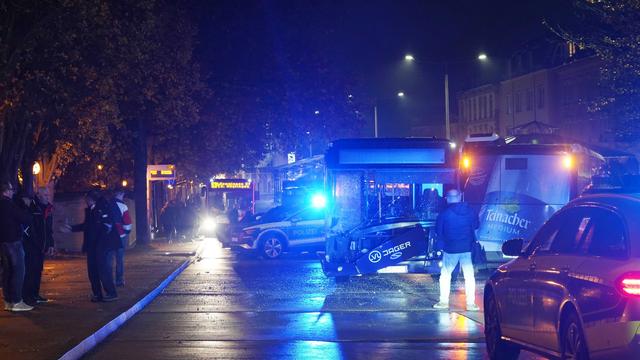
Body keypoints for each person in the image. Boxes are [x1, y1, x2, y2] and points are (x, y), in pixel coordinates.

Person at [64, 190, 119, 302]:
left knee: (103, 269)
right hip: (93, 245)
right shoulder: (91, 210)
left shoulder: (102, 207)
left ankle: (111, 292)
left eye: (87, 198)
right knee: (92, 270)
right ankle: (97, 293)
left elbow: (105, 225)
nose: (85, 201)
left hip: (101, 245)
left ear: (91, 199)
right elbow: (88, 226)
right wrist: (72, 228)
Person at [433, 189, 480, 311]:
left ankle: (443, 302)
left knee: (445, 275)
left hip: (450, 249)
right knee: (469, 277)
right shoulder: (471, 212)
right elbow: (476, 227)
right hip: (467, 249)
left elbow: (439, 232)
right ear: (459, 197)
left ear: (448, 198)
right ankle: (471, 304)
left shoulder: (444, 214)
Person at [0, 181, 33, 311]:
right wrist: (26, 207)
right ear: (6, 191)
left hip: (3, 242)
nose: (13, 191)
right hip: (13, 241)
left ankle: (8, 301)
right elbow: (26, 218)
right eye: (11, 189)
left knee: (7, 272)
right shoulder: (9, 204)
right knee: (18, 271)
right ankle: (17, 301)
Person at [21, 188, 55, 305]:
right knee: (30, 271)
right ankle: (27, 296)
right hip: (32, 246)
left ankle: (35, 294)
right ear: (38, 195)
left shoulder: (47, 209)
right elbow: (30, 228)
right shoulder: (33, 208)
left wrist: (50, 244)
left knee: (38, 271)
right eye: (45, 194)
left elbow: (49, 229)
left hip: (41, 246)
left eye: (48, 194)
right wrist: (34, 242)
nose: (47, 197)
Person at [108, 187, 131, 287]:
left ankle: (109, 279)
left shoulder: (107, 204)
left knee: (109, 259)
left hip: (109, 235)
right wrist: (127, 231)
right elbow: (127, 221)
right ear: (120, 194)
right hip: (120, 235)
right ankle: (119, 280)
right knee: (119, 259)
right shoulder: (123, 206)